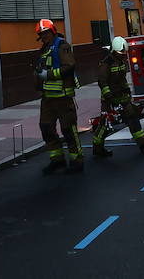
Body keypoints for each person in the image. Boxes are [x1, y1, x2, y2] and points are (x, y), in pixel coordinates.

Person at [92, 36, 144, 157]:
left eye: (123, 53)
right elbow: (102, 82)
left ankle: (143, 143)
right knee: (105, 125)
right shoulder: (106, 63)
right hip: (109, 100)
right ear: (115, 51)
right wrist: (109, 96)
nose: (123, 55)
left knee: (133, 117)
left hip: (122, 96)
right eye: (121, 53)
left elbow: (122, 79)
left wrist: (127, 90)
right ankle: (97, 147)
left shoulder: (120, 61)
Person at [35, 18, 83, 174]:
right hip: (48, 98)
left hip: (63, 96)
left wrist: (48, 75)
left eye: (46, 33)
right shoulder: (44, 49)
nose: (44, 36)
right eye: (42, 34)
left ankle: (77, 160)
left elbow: (69, 66)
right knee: (46, 127)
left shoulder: (62, 46)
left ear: (53, 31)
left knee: (68, 129)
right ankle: (57, 160)